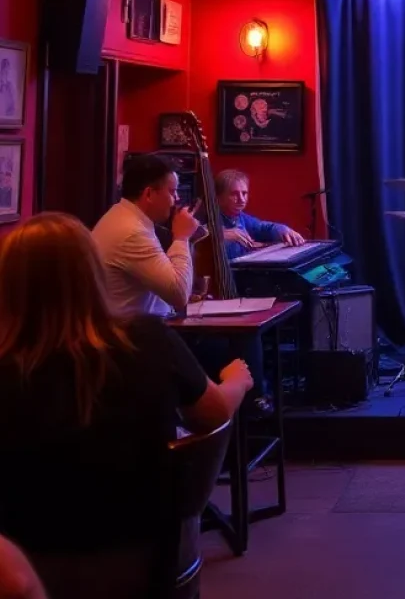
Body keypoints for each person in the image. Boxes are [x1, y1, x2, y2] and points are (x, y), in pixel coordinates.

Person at [0, 213, 253, 595]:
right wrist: (237, 380)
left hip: (24, 563)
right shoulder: (147, 339)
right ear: (91, 272)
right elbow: (214, 416)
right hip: (145, 558)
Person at [92, 153, 200, 316]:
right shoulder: (132, 232)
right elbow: (179, 294)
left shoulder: (121, 215)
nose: (176, 199)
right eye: (172, 192)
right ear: (148, 194)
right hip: (129, 336)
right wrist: (182, 237)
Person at [214, 169, 305, 262]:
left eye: (244, 193)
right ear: (218, 197)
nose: (242, 199)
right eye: (234, 194)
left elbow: (262, 228)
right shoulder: (207, 218)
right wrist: (219, 235)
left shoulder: (241, 217)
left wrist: (282, 229)